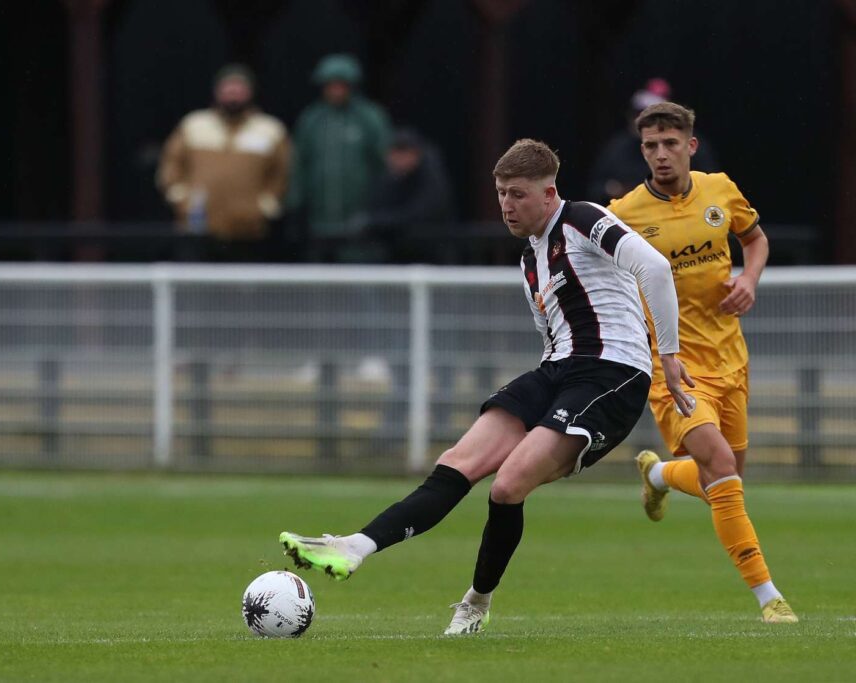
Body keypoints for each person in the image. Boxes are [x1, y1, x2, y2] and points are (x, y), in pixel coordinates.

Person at [279, 138, 694, 634]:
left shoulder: (582, 218)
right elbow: (552, 337)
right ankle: (355, 546)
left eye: (517, 194)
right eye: (500, 193)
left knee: (507, 485)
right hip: (557, 370)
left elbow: (655, 267)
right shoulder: (529, 260)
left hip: (613, 373)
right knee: (457, 463)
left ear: (548, 192)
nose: (506, 204)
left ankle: (475, 603)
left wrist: (667, 355)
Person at [608, 102, 797, 624]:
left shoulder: (719, 189)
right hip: (673, 367)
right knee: (720, 468)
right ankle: (769, 597)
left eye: (671, 143)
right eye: (651, 146)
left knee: (728, 476)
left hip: (731, 357)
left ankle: (662, 475)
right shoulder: (622, 214)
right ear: (641, 151)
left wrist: (749, 280)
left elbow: (754, 239)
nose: (661, 154)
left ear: (691, 145)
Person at [155, 64, 291, 252]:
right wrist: (181, 199)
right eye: (228, 89)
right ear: (217, 92)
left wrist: (266, 207)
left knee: (244, 280)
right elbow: (170, 166)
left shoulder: (270, 129)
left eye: (239, 89)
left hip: (249, 230)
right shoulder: (193, 125)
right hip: (198, 227)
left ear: (250, 92)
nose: (233, 94)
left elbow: (283, 173)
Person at [288, 53, 392, 261]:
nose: (336, 91)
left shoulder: (370, 117)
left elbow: (384, 163)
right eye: (330, 85)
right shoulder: (311, 119)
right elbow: (299, 164)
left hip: (359, 220)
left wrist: (381, 210)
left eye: (341, 85)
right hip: (319, 220)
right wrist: (295, 204)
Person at [587, 79, 718, 203]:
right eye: (638, 113)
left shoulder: (689, 144)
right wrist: (612, 189)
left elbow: (709, 185)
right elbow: (596, 188)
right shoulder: (617, 147)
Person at [355, 126, 454, 262]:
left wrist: (381, 222)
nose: (398, 160)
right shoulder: (387, 177)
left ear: (416, 154)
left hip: (432, 256)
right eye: (394, 153)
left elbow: (422, 213)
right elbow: (377, 207)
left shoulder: (432, 176)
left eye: (403, 153)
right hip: (397, 256)